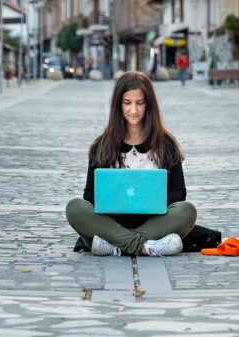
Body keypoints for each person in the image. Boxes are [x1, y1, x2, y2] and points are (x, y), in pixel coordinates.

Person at [65, 71, 196, 256]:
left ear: (149, 105)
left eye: (140, 103)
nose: (133, 110)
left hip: (154, 222)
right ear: (118, 105)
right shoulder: (101, 145)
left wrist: (150, 202)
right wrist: (115, 202)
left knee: (187, 211)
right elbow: (88, 195)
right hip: (112, 222)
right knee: (75, 208)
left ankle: (115, 246)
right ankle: (145, 247)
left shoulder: (165, 144)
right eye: (127, 103)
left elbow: (179, 193)